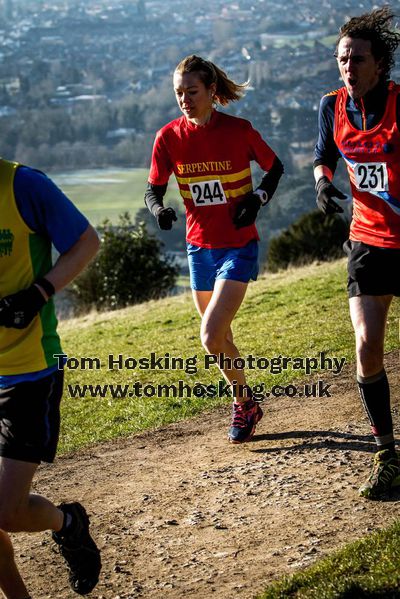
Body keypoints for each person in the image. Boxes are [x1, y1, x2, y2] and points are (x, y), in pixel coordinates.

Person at [145, 55, 283, 444]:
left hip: (238, 245)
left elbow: (275, 168)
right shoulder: (168, 138)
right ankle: (247, 403)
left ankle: (242, 404)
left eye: (192, 91)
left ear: (210, 91)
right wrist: (160, 210)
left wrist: (256, 199)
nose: (185, 99)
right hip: (198, 248)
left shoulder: (239, 130)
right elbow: (153, 189)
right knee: (221, 338)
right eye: (179, 93)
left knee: (209, 336)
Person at [0, 158, 101, 599]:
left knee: (7, 511)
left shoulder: (21, 185)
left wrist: (38, 292)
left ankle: (68, 523)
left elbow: (86, 241)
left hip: (27, 371)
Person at [314, 7, 400, 499]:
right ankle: (387, 452)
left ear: (380, 62)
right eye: (341, 58)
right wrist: (323, 184)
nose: (347, 67)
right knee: (366, 343)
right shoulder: (331, 105)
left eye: (356, 59)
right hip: (367, 240)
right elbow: (323, 156)